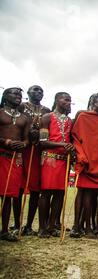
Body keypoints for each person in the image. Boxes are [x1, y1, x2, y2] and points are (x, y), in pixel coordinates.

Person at [70, 93, 98, 239]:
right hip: (87, 161)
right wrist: (80, 155)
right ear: (91, 103)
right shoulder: (82, 117)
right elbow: (75, 137)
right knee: (86, 194)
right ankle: (85, 227)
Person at [38, 92, 73, 238]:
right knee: (46, 193)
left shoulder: (70, 121)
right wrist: (62, 144)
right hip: (50, 159)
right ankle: (42, 227)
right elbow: (42, 142)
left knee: (60, 194)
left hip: (64, 161)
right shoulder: (47, 117)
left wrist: (71, 147)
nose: (69, 102)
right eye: (66, 99)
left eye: (70, 100)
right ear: (57, 100)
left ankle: (52, 226)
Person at [18, 85, 51, 236]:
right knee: (18, 187)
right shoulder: (21, 106)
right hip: (22, 149)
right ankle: (16, 223)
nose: (39, 93)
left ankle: (29, 225)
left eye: (41, 91)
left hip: (38, 150)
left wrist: (39, 135)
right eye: (35, 90)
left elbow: (47, 131)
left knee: (35, 189)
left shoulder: (46, 110)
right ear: (28, 93)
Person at [0, 88, 30, 241]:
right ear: (5, 97)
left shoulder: (24, 118)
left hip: (14, 159)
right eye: (14, 94)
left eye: (20, 95)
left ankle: (4, 231)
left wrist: (23, 145)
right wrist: (6, 141)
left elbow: (26, 139)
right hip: (0, 155)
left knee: (8, 195)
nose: (18, 97)